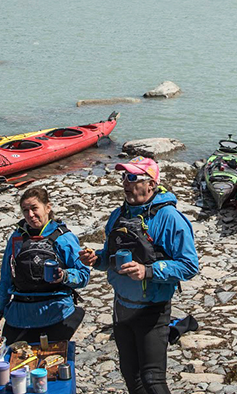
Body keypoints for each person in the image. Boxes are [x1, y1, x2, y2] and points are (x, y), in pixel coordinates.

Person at [79, 157, 199, 394]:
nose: (126, 182)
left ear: (151, 184)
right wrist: (96, 260)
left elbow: (189, 265)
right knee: (131, 377)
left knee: (153, 379)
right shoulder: (118, 215)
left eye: (133, 177)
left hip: (152, 310)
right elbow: (110, 257)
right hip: (121, 308)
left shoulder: (170, 218)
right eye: (124, 177)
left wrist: (148, 271)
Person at [0, 186, 90, 345]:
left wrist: (64, 276)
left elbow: (83, 275)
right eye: (25, 210)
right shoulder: (16, 238)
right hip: (19, 315)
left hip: (56, 313)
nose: (30, 215)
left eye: (34, 208)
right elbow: (6, 279)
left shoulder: (64, 238)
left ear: (48, 207)